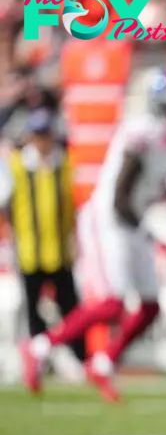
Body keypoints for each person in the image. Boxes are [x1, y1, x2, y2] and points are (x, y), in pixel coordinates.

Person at [18, 67, 166, 402]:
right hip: (109, 217)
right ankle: (40, 347)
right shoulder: (141, 131)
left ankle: (103, 362)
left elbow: (157, 184)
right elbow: (122, 191)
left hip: (133, 218)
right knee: (112, 304)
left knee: (151, 306)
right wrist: (149, 223)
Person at [0, 108, 85, 367]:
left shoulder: (64, 163)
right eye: (38, 135)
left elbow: (73, 205)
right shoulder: (18, 166)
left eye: (45, 134)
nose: (42, 140)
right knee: (33, 312)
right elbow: (6, 204)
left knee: (71, 310)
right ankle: (37, 363)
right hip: (29, 251)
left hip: (60, 251)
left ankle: (80, 360)